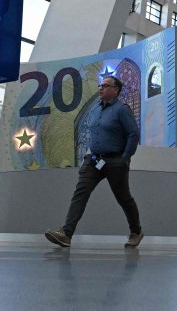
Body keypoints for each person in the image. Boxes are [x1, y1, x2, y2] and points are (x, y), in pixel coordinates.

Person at [45, 75, 142, 247]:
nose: (101, 88)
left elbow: (133, 134)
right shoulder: (96, 108)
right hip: (94, 161)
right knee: (80, 193)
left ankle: (136, 232)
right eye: (100, 85)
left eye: (105, 85)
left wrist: (125, 157)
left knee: (123, 198)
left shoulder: (122, 109)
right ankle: (66, 234)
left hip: (115, 161)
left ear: (115, 90)